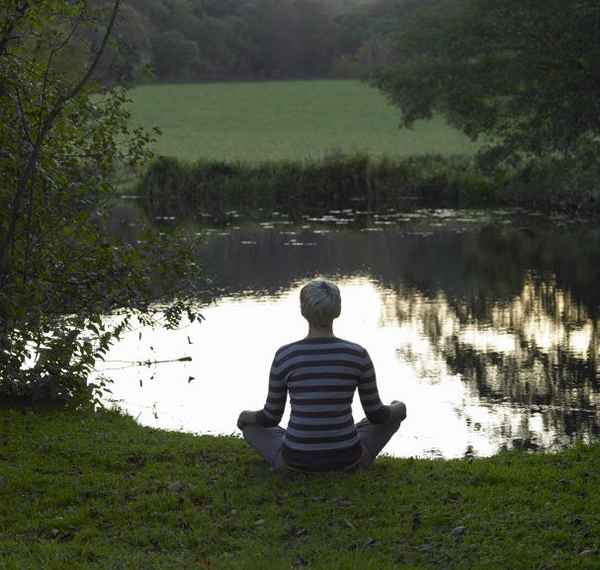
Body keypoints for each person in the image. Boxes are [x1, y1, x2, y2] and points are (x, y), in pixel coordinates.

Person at [237, 278, 407, 472]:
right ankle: (351, 458)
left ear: (302, 311)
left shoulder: (285, 355)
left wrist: (245, 416)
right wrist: (399, 408)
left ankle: (287, 461)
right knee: (386, 419)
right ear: (338, 310)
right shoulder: (357, 354)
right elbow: (377, 415)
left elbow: (270, 417)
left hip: (295, 460)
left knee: (251, 427)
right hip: (348, 458)